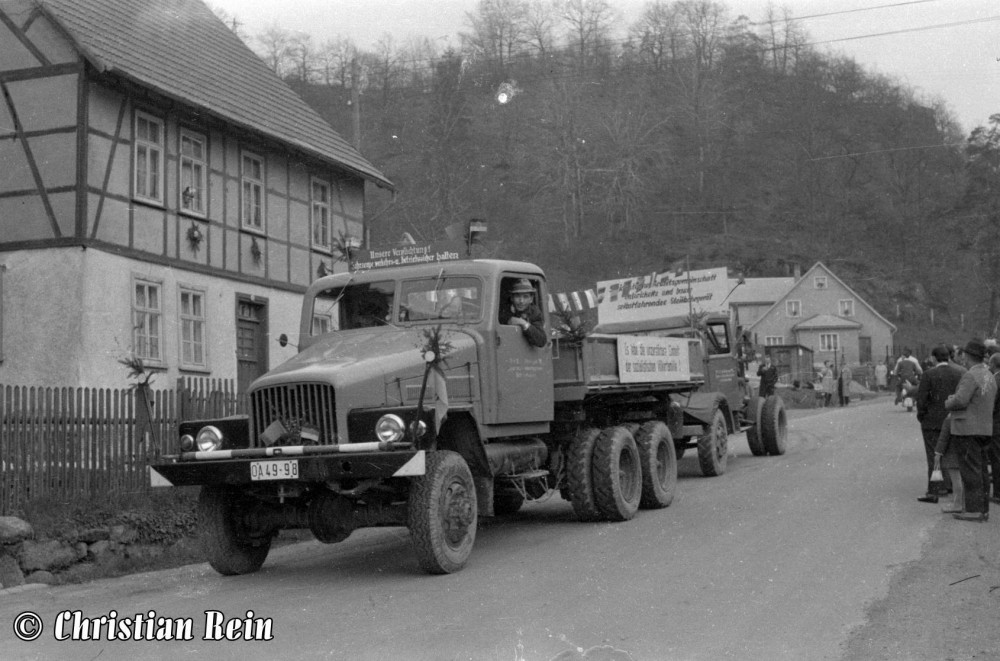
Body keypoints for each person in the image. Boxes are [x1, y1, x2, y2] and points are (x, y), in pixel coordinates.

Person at [942, 338, 998, 522]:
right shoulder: (989, 375)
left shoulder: (970, 375)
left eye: (964, 355)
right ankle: (982, 509)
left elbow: (960, 400)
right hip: (984, 429)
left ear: (968, 356)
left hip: (967, 429)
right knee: (981, 470)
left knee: (970, 471)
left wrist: (949, 401)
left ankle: (973, 510)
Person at [915, 345, 965, 503]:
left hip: (932, 422)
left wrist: (922, 417)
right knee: (950, 453)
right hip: (952, 420)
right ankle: (950, 485)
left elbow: (921, 400)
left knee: (933, 456)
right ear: (948, 357)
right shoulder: (959, 373)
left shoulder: (928, 374)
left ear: (933, 358)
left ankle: (935, 489)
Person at [499, 279, 547, 348]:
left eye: (525, 297)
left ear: (531, 299)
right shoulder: (504, 309)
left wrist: (524, 323)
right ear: (512, 298)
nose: (521, 301)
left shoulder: (535, 313)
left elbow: (541, 341)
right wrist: (508, 319)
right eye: (517, 296)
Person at [989, 352, 1000, 504]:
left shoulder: (995, 380)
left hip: (997, 424)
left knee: (997, 459)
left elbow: (991, 403)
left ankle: (998, 492)